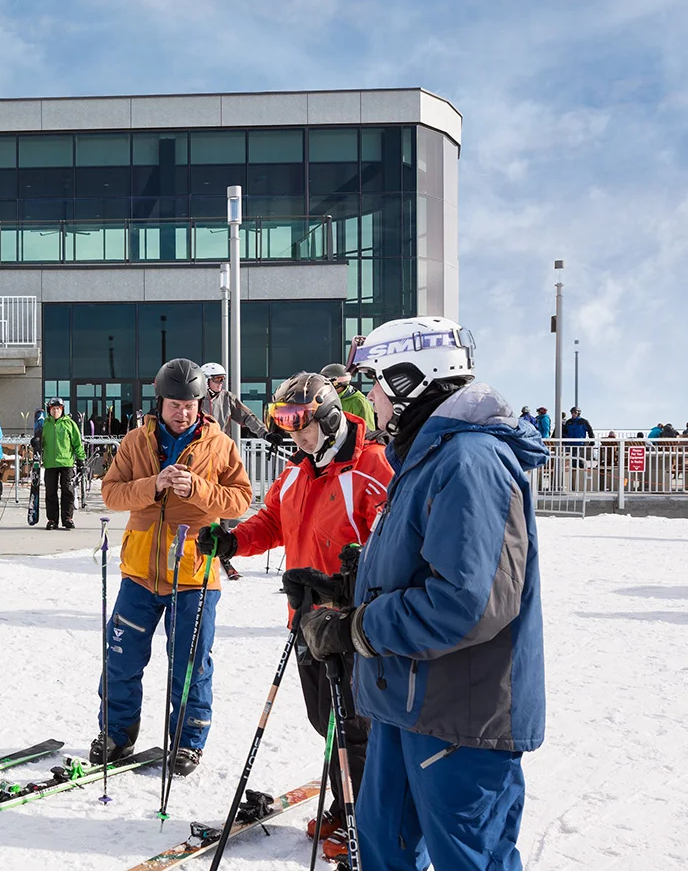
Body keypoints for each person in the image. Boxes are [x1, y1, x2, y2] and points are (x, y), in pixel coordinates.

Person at [297, 315, 546, 871]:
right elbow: (419, 566)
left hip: (459, 718)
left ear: (409, 383)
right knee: (385, 852)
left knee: (468, 860)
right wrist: (347, 590)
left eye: (377, 387)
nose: (372, 405)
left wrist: (356, 627)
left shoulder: (471, 461)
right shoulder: (424, 458)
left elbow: (466, 602)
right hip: (403, 705)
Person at [199, 371, 391, 861]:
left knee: (356, 725)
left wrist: (353, 576)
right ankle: (345, 804)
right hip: (305, 619)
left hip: (353, 626)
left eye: (303, 425)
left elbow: (394, 543)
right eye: (288, 427)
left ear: (327, 418)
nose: (296, 436)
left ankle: (366, 819)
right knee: (325, 719)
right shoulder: (299, 471)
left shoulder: (371, 468)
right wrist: (232, 540)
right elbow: (271, 521)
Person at [94, 359, 253, 777]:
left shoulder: (219, 444)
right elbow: (110, 493)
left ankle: (187, 741)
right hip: (140, 572)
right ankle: (116, 734)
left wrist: (198, 489)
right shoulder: (135, 441)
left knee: (190, 664)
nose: (182, 412)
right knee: (121, 659)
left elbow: (240, 500)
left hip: (194, 574)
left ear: (200, 404)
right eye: (174, 404)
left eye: (190, 404)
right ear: (159, 401)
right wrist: (154, 486)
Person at [200, 361, 283, 445]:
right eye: (217, 379)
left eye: (222, 379)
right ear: (206, 380)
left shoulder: (227, 398)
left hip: (221, 447)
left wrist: (266, 434)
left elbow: (247, 417)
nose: (221, 383)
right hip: (199, 447)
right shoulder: (196, 400)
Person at [36, 398, 85, 530]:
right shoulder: (45, 425)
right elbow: (40, 442)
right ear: (49, 410)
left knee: (67, 491)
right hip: (50, 463)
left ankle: (67, 518)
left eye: (58, 408)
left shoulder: (69, 424)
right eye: (53, 409)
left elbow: (77, 443)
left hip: (66, 462)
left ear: (62, 410)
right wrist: (35, 444)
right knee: (50, 492)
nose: (56, 411)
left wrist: (81, 460)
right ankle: (52, 519)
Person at [319, 362, 377, 430]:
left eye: (328, 384)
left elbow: (368, 430)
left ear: (337, 383)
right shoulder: (323, 399)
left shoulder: (358, 401)